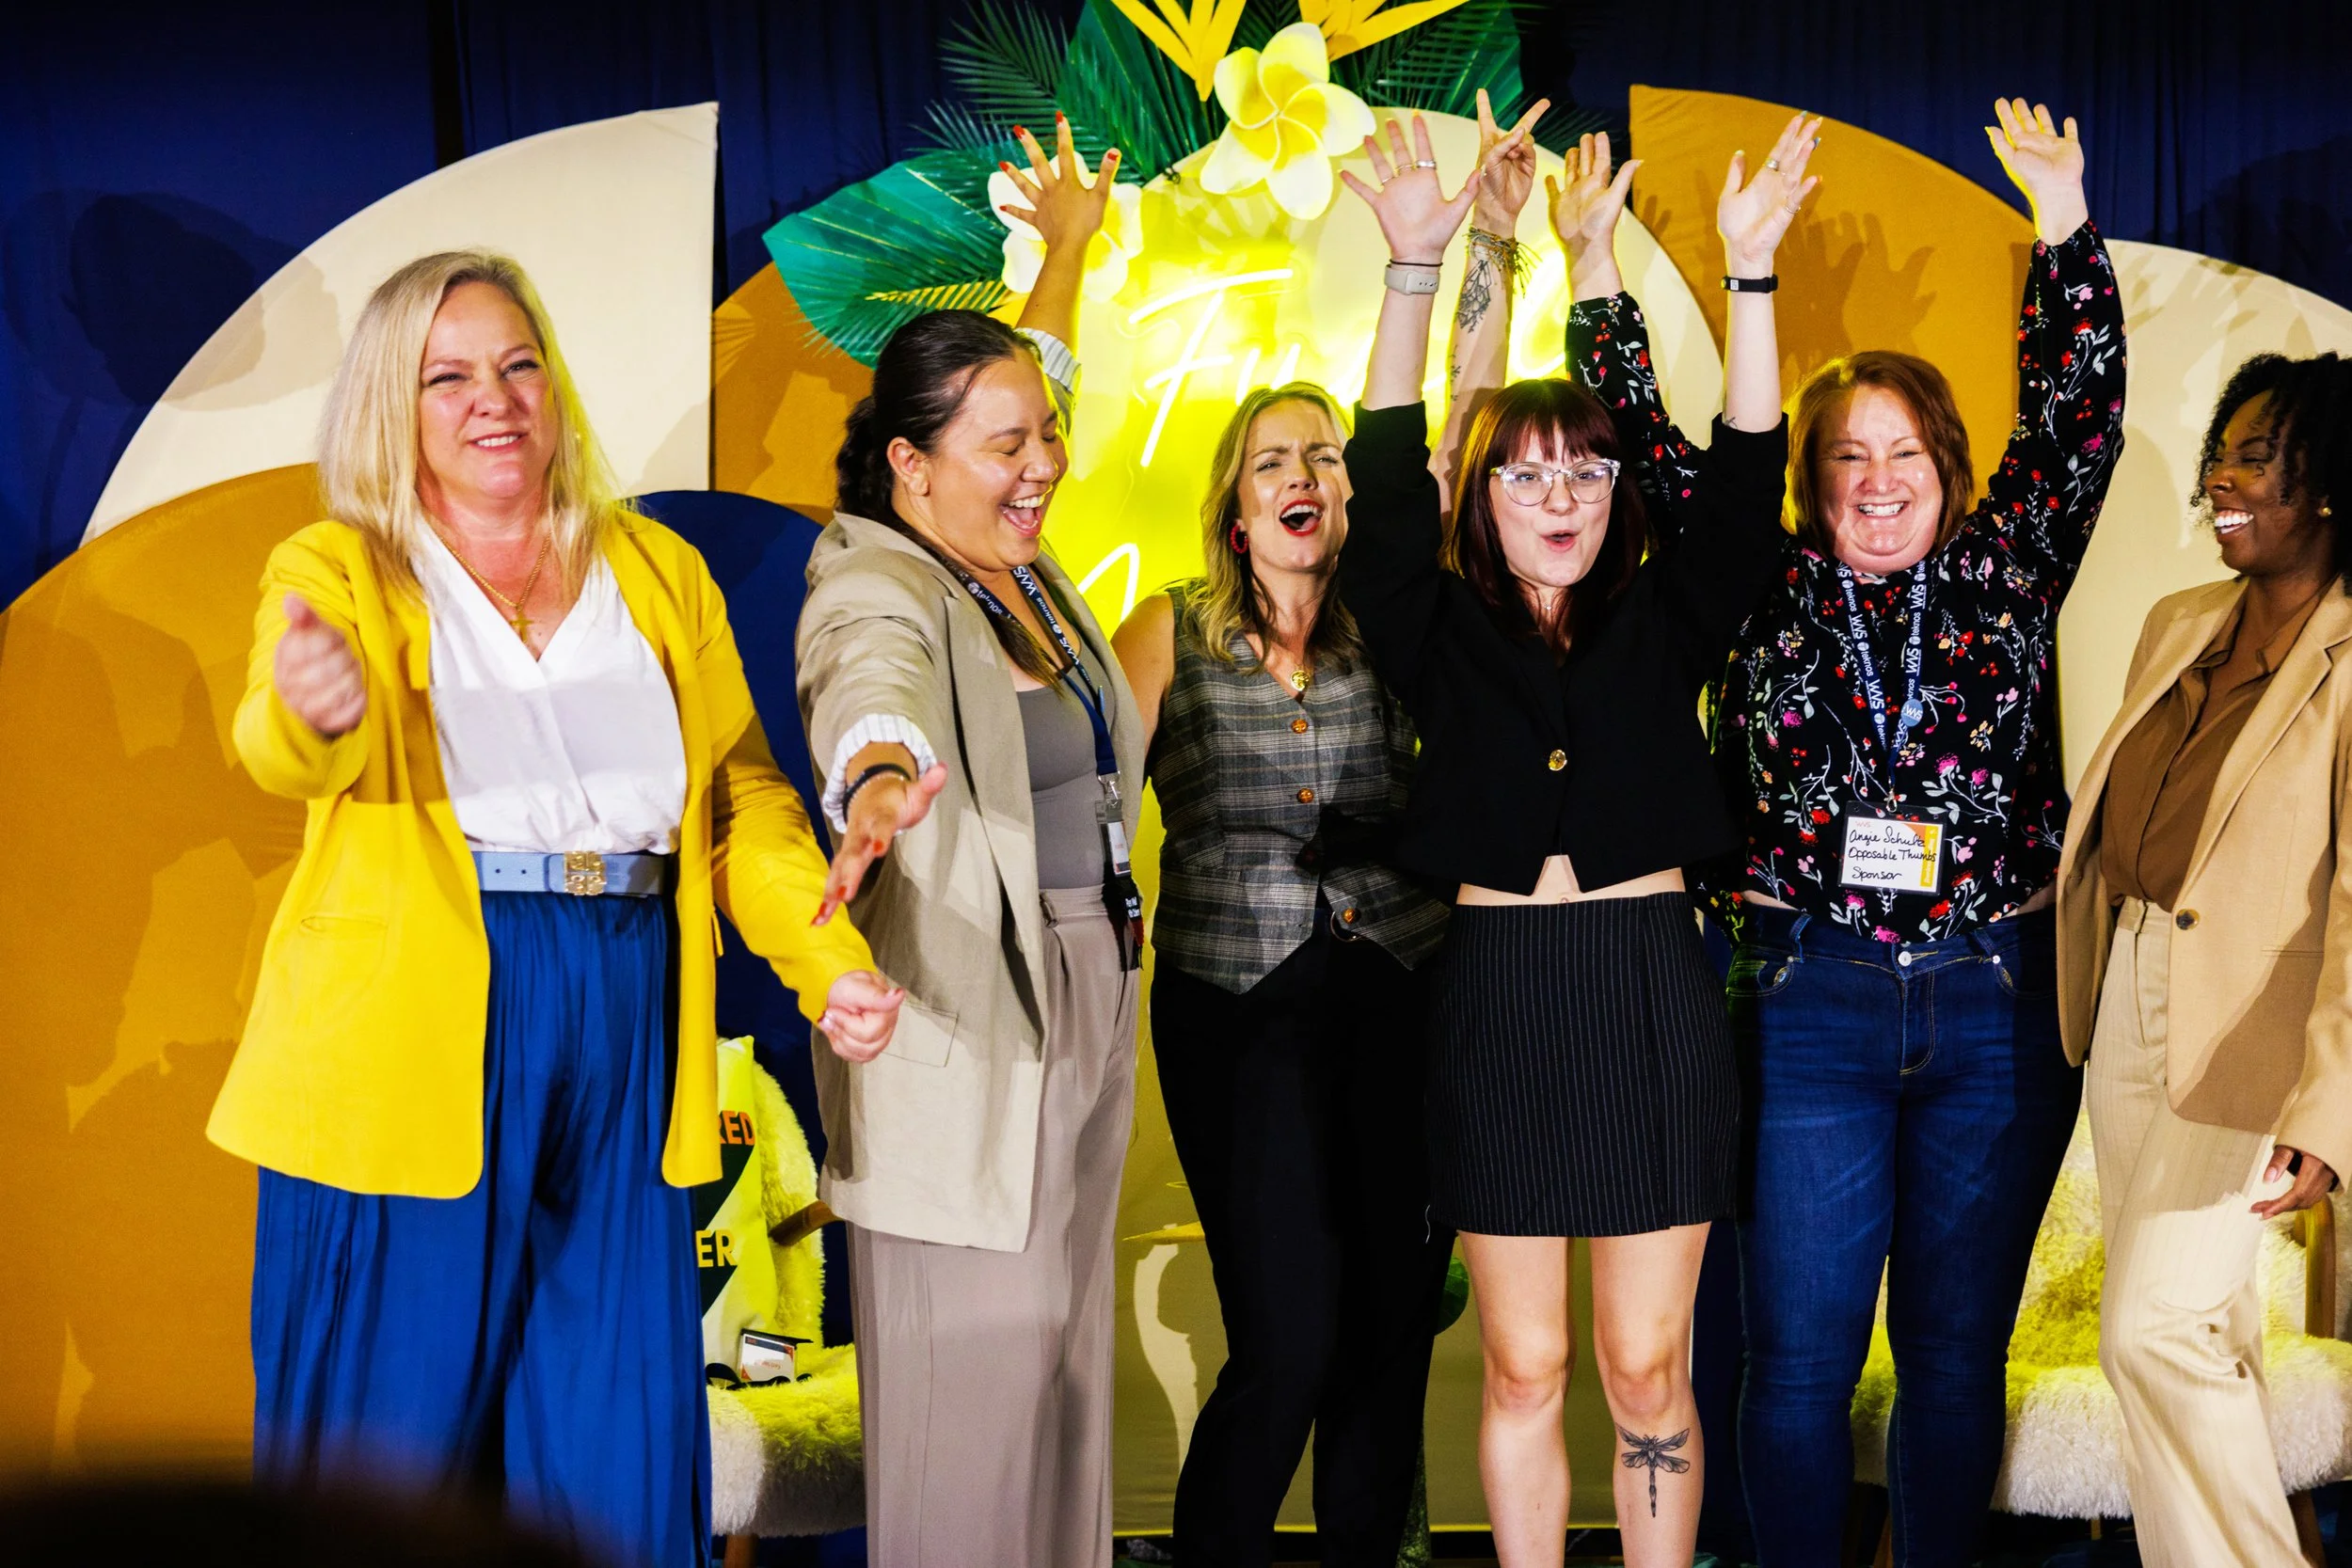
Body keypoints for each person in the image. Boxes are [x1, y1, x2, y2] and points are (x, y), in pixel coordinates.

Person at [212, 249, 903, 1568]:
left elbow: (739, 801)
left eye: (520, 364)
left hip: (627, 1005)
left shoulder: (653, 568)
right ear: (390, 403)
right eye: (450, 374)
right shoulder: (342, 565)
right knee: (386, 1447)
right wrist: (306, 710)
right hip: (418, 1033)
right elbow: (278, 741)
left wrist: (826, 961)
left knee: (608, 1441)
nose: (496, 398)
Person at [1569, 100, 2126, 1566]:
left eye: (1905, 456)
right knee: (1801, 1361)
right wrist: (1586, 270)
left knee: (1953, 1358)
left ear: (1946, 465)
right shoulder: (1755, 578)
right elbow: (1636, 435)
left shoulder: (2008, 569)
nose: (1878, 484)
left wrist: (2065, 224)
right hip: (1807, 995)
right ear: (1811, 479)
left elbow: (2078, 419)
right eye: (1847, 461)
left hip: (1995, 999)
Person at [1336, 110, 1813, 1567]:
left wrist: (1748, 278)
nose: (1562, 497)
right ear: (1482, 499)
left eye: (1589, 474)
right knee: (1527, 1364)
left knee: (1645, 1366)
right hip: (1499, 999)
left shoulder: (1665, 616)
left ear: (1617, 496)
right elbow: (1381, 470)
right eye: (1528, 475)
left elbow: (1742, 478)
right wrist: (1418, 268)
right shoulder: (1434, 627)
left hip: (1648, 991)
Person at [1112, 88, 1541, 1568]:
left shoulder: (1395, 622)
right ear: (1235, 501)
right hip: (1235, 1011)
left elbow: (1471, 422)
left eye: (1325, 457)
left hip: (1396, 995)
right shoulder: (1165, 630)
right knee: (1285, 1334)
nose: (1305, 475)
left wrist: (1490, 246)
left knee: (1382, 1332)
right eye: (1274, 459)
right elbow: (1096, 795)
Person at [791, 117, 1136, 1568]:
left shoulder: (1009, 558)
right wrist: (879, 778)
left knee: (1062, 1379)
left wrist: (1060, 253)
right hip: (971, 1020)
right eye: (1007, 448)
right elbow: (864, 695)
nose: (1045, 461)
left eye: (1042, 438)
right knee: (973, 1402)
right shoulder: (880, 579)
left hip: (1089, 988)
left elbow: (1026, 384)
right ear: (908, 467)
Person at [2056, 351, 2352, 1568]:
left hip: (2254, 1035)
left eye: (2255, 457)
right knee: (2206, 1333)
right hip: (2126, 994)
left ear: (2328, 484)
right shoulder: (2181, 621)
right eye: (2220, 453)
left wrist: (2330, 1108)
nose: (2220, 480)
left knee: (2154, 1330)